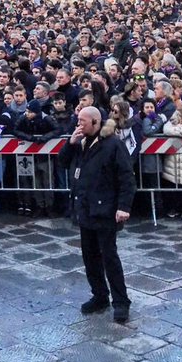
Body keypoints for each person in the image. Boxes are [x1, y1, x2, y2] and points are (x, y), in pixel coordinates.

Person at [60, 105, 135, 324]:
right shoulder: (80, 143)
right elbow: (63, 163)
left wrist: (124, 206)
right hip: (84, 207)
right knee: (89, 256)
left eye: (82, 121)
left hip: (105, 209)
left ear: (95, 122)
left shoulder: (113, 144)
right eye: (78, 121)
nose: (79, 125)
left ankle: (121, 302)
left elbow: (126, 177)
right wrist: (70, 143)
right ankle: (99, 295)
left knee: (109, 257)